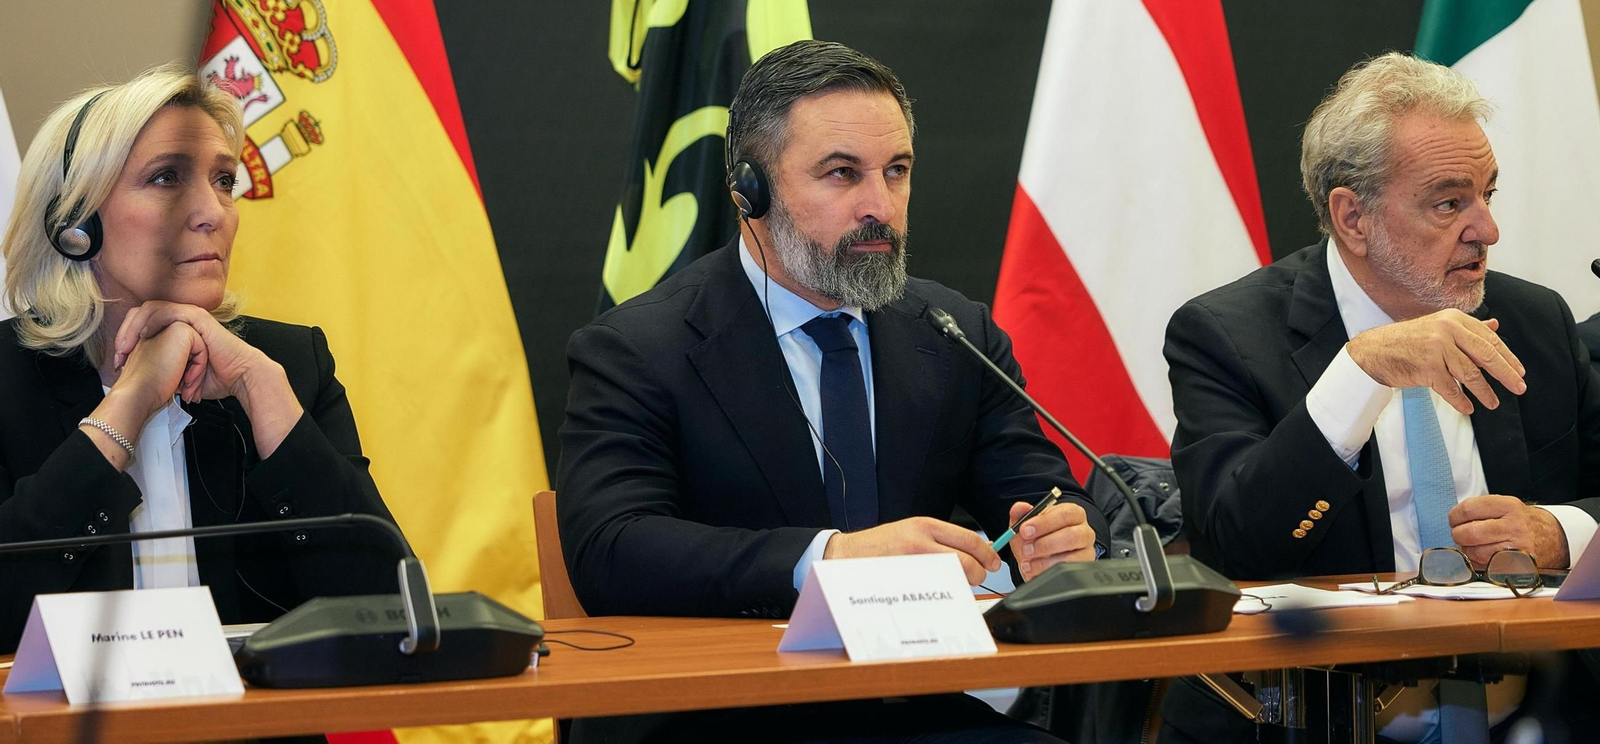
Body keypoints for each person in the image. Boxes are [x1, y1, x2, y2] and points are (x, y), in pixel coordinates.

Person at [559, 40, 1108, 743]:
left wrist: (1058, 535)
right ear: (748, 191)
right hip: (720, 714)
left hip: (914, 706)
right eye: (842, 173)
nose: (879, 205)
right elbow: (612, 547)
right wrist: (832, 558)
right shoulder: (639, 347)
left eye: (897, 171)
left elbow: (1045, 492)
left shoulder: (952, 331)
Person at [1160, 53, 1600, 743]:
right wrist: (1359, 371)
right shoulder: (1225, 335)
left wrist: (1560, 532)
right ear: (1352, 217)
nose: (1487, 229)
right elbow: (1236, 543)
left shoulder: (1533, 320)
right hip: (1318, 719)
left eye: (1488, 193)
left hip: (1536, 715)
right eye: (1450, 202)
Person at [0, 64, 400, 654]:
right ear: (75, 224)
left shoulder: (289, 364)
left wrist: (266, 399)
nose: (212, 210)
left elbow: (390, 615)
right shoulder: (9, 380)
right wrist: (125, 409)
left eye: (223, 181)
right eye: (166, 178)